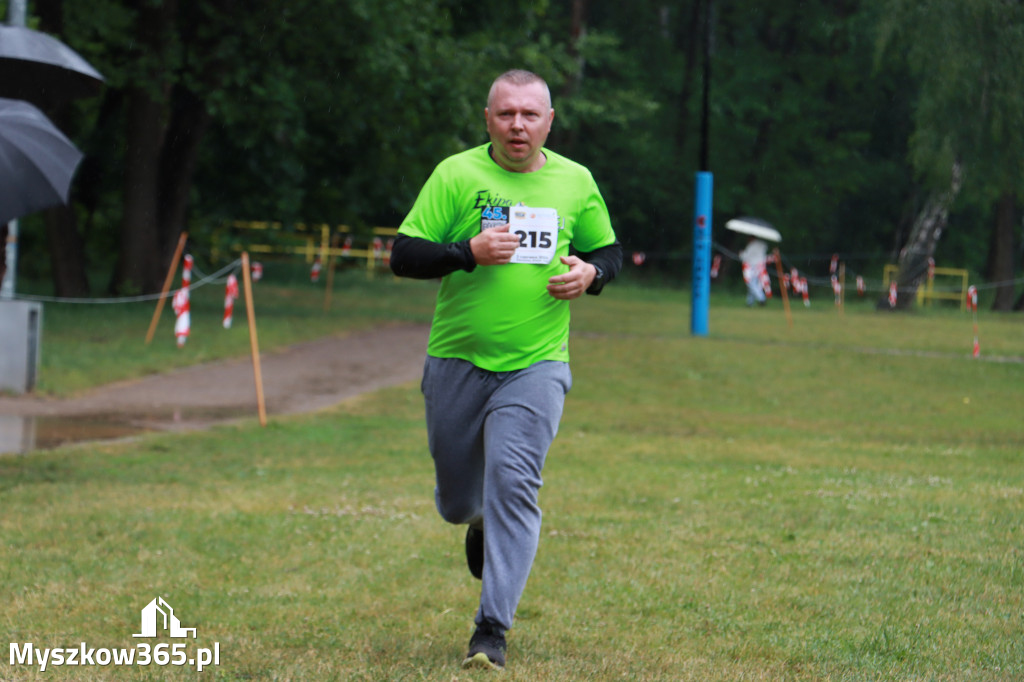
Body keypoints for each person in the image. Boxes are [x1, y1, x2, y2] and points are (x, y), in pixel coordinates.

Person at [389, 69, 622, 671]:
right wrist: (467, 252)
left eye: (530, 115)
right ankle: (478, 522)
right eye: (506, 114)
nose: (518, 125)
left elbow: (608, 251)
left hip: (537, 364)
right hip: (457, 360)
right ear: (487, 119)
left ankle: (490, 629)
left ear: (549, 121)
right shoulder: (456, 174)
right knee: (456, 501)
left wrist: (590, 276)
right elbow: (404, 254)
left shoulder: (576, 181)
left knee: (516, 483)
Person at [738, 237, 768, 306]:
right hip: (761, 266)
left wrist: (741, 254)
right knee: (753, 283)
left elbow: (745, 256)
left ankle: (761, 298)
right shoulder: (762, 244)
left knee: (750, 283)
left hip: (752, 267)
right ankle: (750, 302)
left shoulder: (751, 245)